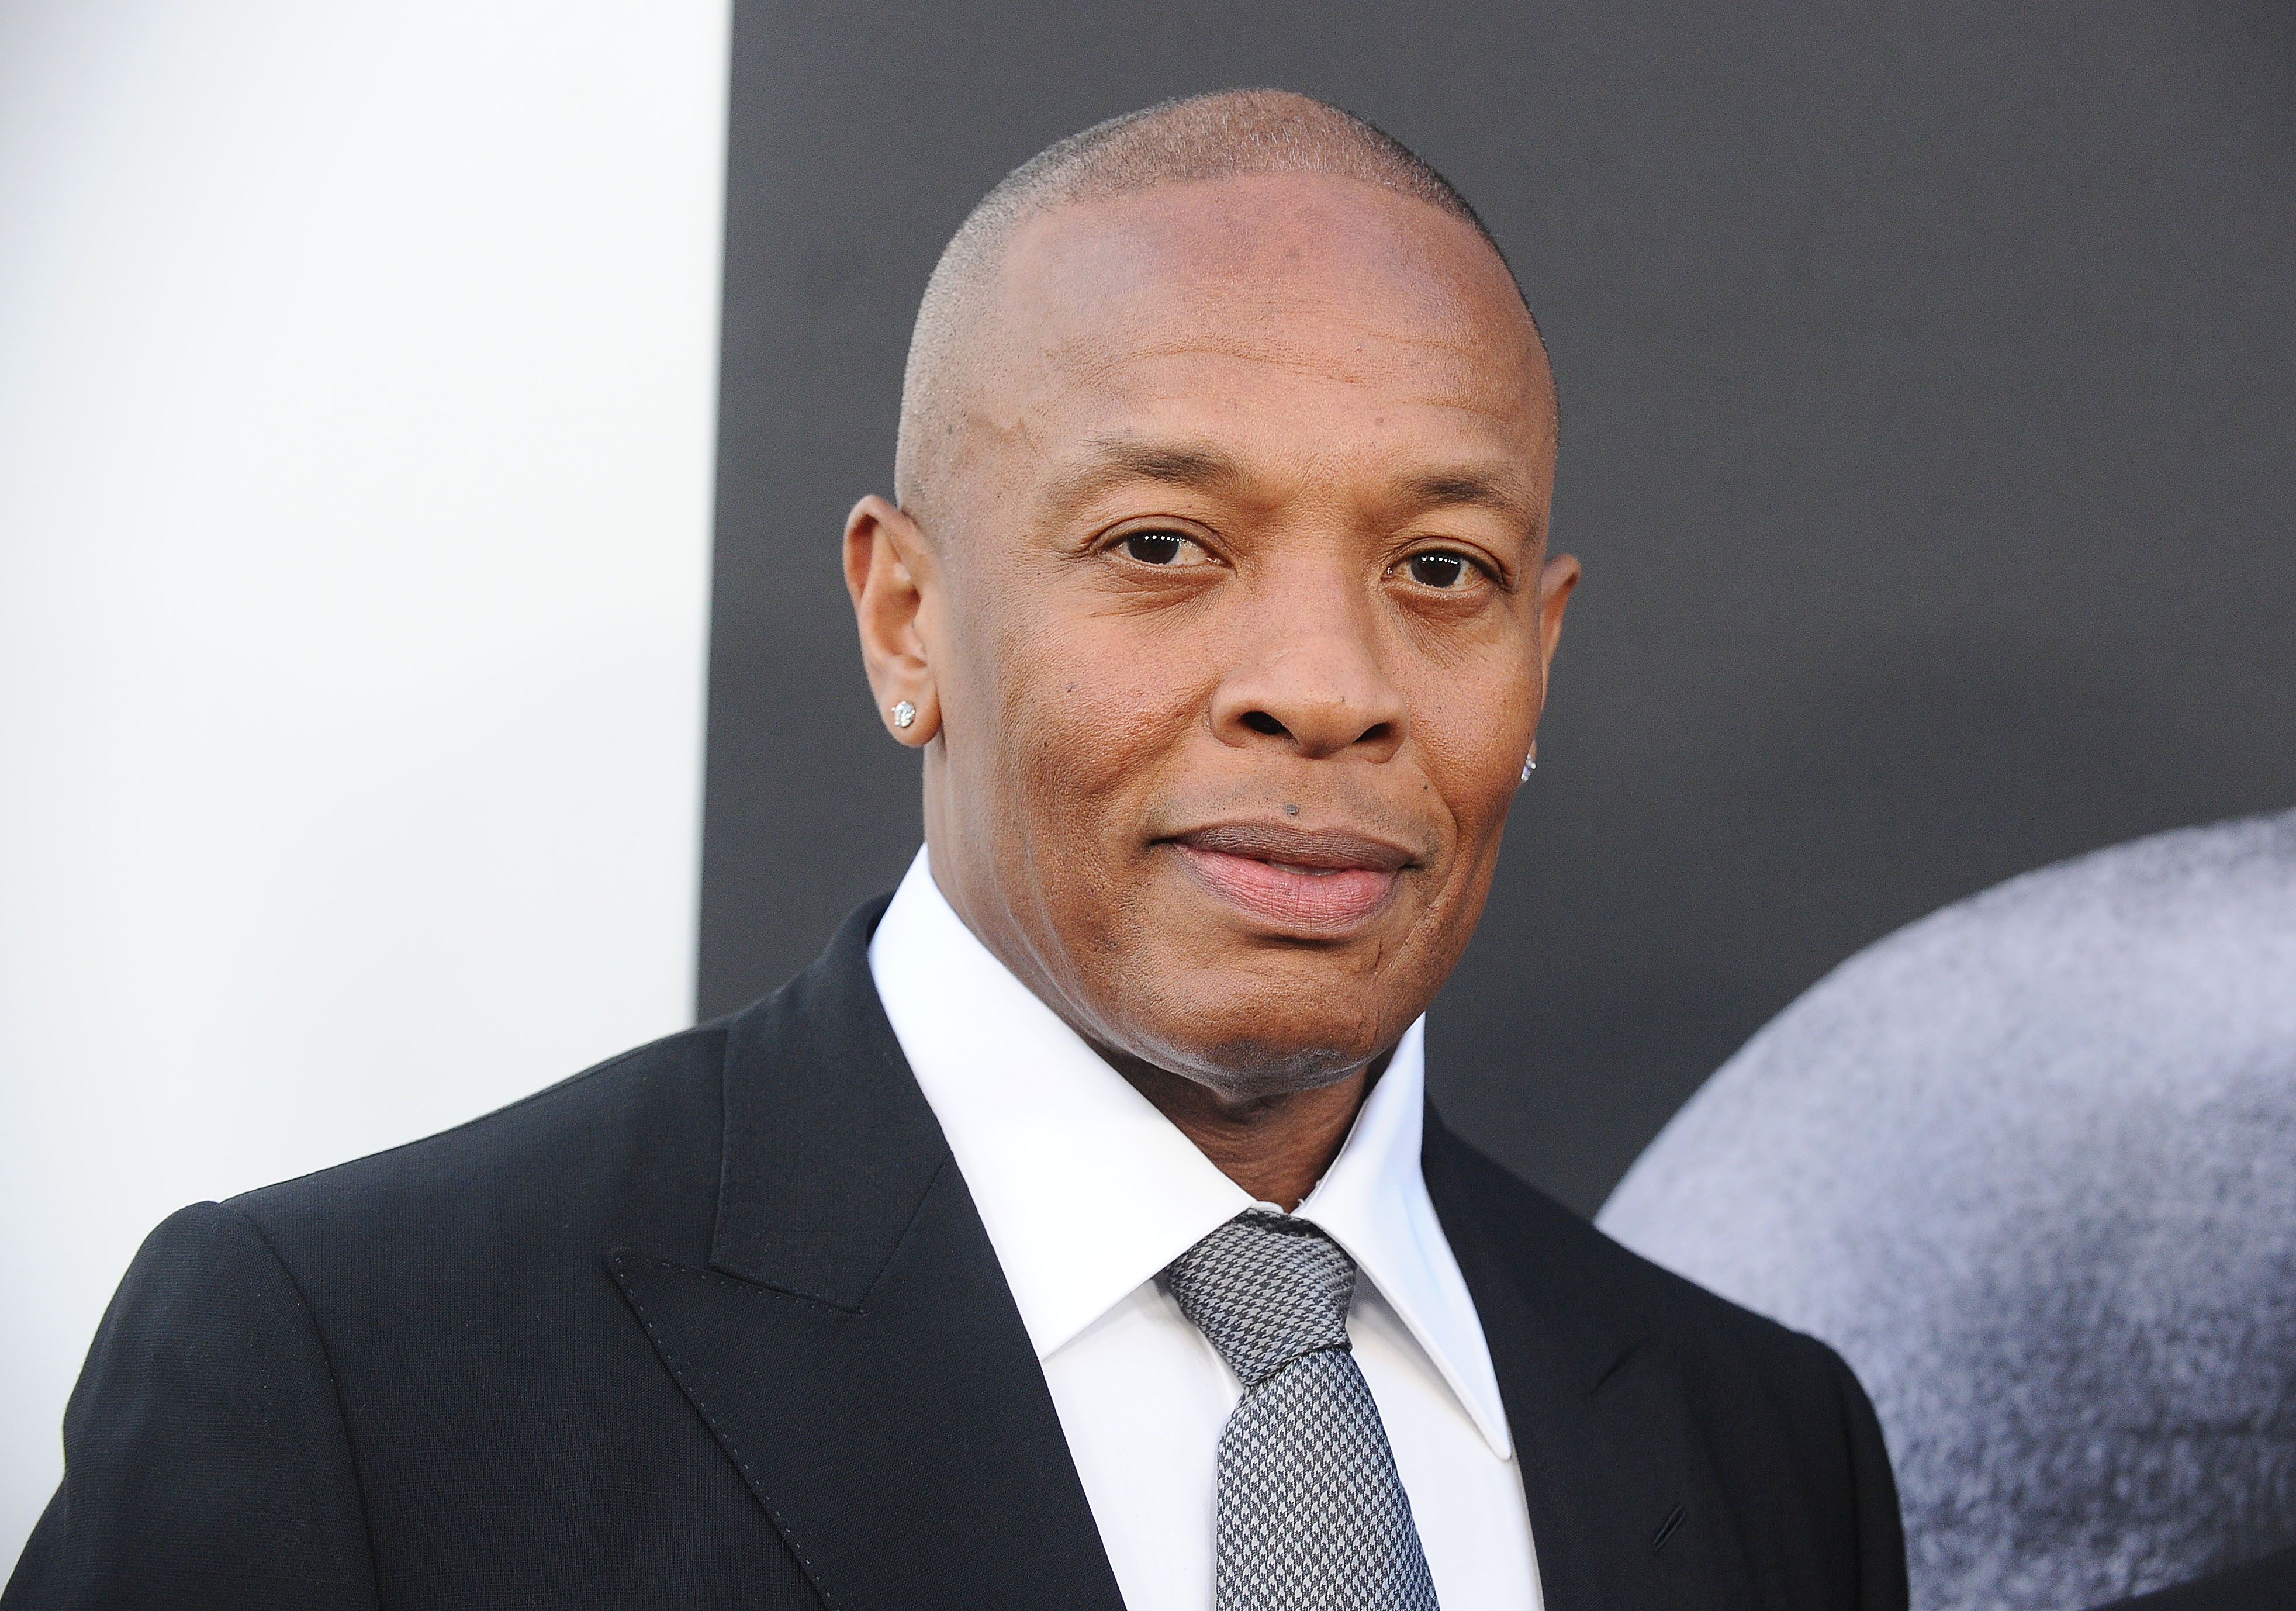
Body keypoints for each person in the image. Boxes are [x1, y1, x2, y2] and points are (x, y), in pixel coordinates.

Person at [5, 90, 1906, 1610]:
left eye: (1441, 570)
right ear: (907, 619)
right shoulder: (360, 1373)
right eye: (1164, 544)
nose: (1327, 688)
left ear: (1542, 651)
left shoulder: (1759, 1449)